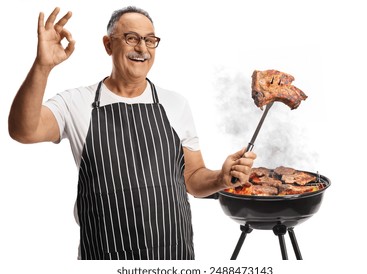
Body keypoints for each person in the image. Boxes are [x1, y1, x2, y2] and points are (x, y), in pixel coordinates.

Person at [8, 6, 256, 260]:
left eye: (150, 40)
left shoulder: (175, 104)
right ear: (108, 45)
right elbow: (23, 130)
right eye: (132, 38)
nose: (142, 48)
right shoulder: (75, 102)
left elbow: (192, 178)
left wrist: (221, 178)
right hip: (105, 257)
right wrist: (42, 66)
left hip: (174, 254)